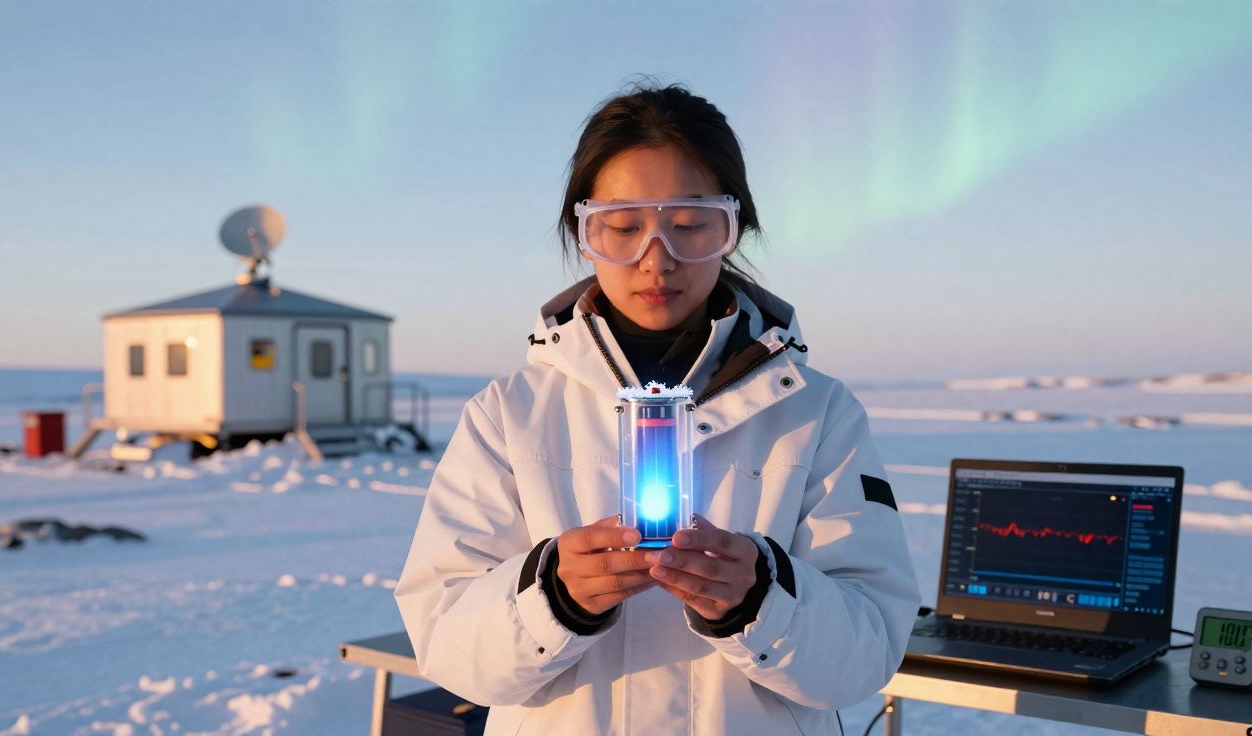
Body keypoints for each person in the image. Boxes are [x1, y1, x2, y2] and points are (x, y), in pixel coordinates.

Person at [394, 83, 920, 736]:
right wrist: (553, 599)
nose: (656, 258)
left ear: (732, 231)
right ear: (584, 236)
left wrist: (759, 599)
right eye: (621, 226)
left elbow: (869, 650)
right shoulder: (510, 414)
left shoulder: (815, 415)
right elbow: (444, 641)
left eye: (691, 224)